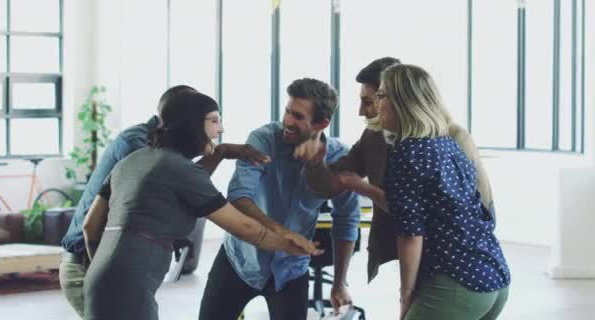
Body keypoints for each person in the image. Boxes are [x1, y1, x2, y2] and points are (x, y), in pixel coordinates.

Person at [81, 88, 321, 320]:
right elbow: (246, 229)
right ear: (193, 124)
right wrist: (290, 244)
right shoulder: (181, 170)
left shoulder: (133, 161)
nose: (221, 129)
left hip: (99, 277)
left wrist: (106, 272)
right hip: (132, 283)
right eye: (214, 121)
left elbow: (90, 227)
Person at [297, 57, 498, 285]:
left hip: (453, 264)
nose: (361, 111)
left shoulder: (452, 138)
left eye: (370, 101)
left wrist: (363, 188)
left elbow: (480, 210)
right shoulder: (375, 136)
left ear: (396, 99)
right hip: (414, 254)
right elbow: (333, 183)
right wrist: (314, 165)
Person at [335, 64, 511, 319]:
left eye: (382, 95)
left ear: (403, 102)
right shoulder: (446, 142)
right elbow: (411, 208)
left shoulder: (408, 152)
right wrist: (361, 186)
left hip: (457, 283)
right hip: (493, 278)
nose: (375, 102)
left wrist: (406, 296)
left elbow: (410, 233)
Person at [198, 78, 361, 320]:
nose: (287, 121)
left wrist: (339, 283)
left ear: (322, 123)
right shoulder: (263, 140)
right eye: (287, 111)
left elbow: (347, 219)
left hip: (291, 271)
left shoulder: (340, 157)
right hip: (240, 261)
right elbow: (239, 197)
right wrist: (282, 233)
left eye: (298, 116)